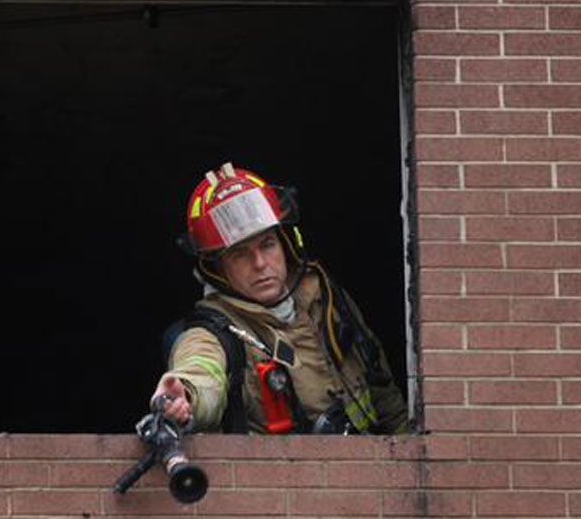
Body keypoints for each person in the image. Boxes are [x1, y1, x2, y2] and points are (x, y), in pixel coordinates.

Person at [152, 162, 409, 435]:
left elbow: (383, 390)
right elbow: (201, 367)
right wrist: (186, 397)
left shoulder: (327, 299)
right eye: (240, 254)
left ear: (286, 244)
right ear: (217, 269)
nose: (260, 263)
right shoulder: (214, 332)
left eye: (267, 244)